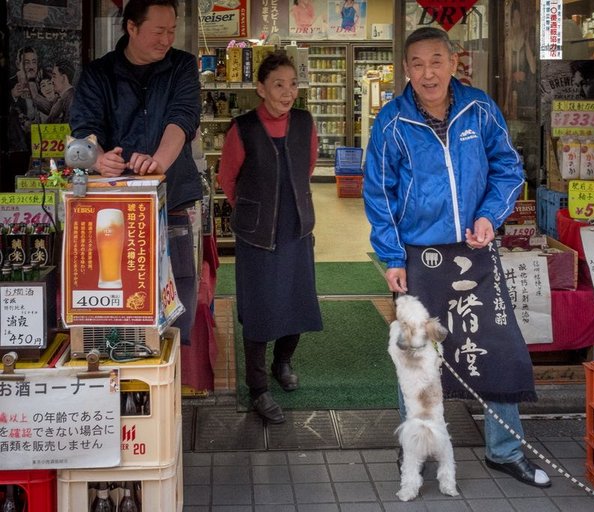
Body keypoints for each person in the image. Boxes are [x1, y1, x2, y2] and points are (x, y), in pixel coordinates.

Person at [363, 27, 551, 488]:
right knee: (416, 361)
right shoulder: (391, 122)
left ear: (453, 62)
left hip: (475, 251)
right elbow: (379, 195)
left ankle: (505, 451)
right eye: (418, 64)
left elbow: (508, 168)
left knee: (497, 350)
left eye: (436, 61)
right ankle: (417, 456)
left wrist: (490, 216)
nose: (428, 73)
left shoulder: (479, 108)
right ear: (406, 69)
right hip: (417, 256)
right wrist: (391, 257)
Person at [69, 0, 202, 345]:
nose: (167, 39)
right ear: (131, 27)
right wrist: (99, 160)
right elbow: (84, 131)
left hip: (171, 202)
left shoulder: (182, 66)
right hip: (114, 211)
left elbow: (183, 119)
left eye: (172, 31)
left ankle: (175, 381)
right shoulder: (99, 73)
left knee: (178, 300)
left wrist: (158, 162)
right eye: (159, 31)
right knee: (120, 302)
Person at [217, 52, 323, 425]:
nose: (288, 92)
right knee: (260, 310)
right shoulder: (242, 127)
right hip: (257, 234)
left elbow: (307, 167)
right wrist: (253, 210)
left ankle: (283, 362)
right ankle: (258, 388)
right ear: (260, 89)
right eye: (279, 84)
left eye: (293, 84)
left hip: (296, 227)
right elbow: (227, 178)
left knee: (297, 300)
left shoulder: (305, 123)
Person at [9, 46, 40, 151]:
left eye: (34, 62)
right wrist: (13, 95)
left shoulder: (44, 83)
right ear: (18, 64)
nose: (31, 66)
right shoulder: (9, 84)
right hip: (18, 143)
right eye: (27, 63)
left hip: (42, 140)